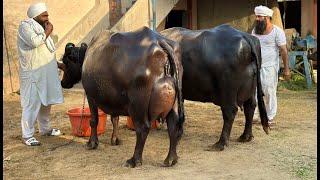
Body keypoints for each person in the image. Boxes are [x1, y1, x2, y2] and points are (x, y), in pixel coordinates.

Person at [17, 2, 64, 146]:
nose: (47, 18)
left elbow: (45, 51)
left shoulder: (42, 28)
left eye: (47, 15)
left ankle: (45, 129)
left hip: (45, 73)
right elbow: (35, 42)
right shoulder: (25, 26)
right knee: (32, 103)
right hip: (33, 73)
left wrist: (58, 64)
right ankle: (27, 135)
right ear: (35, 16)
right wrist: (48, 30)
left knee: (45, 102)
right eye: (44, 15)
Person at [252, 5, 291, 125]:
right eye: (257, 16)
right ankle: (255, 115)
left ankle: (270, 116)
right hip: (255, 66)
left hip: (270, 67)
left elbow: (284, 51)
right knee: (254, 91)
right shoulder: (255, 31)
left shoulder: (277, 32)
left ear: (267, 18)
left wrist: (286, 69)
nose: (257, 19)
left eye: (260, 17)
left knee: (269, 91)